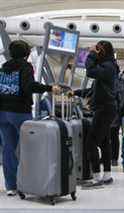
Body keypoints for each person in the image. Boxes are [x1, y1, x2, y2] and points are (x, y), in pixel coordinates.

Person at [0, 40, 60, 196]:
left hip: (3, 113)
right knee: (30, 147)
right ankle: (29, 183)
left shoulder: (3, 68)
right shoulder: (25, 67)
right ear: (26, 54)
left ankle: (11, 186)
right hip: (19, 112)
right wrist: (49, 88)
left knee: (8, 148)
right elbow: (29, 86)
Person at [77, 40, 118, 188]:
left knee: (91, 142)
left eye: (96, 49)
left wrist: (91, 55)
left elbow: (90, 71)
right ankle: (106, 176)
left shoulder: (108, 67)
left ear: (102, 51)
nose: (93, 52)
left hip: (104, 109)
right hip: (106, 108)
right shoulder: (108, 66)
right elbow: (93, 90)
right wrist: (74, 92)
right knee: (104, 142)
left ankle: (96, 178)